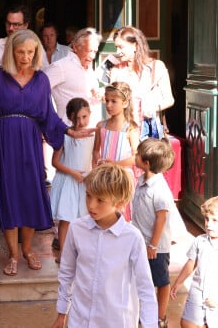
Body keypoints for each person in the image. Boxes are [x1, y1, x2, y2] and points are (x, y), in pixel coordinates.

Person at [0, 29, 89, 276]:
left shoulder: (41, 80)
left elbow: (48, 116)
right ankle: (13, 255)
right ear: (11, 52)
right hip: (3, 142)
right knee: (8, 196)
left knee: (29, 194)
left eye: (30, 52)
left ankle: (27, 249)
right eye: (20, 52)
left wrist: (69, 132)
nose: (25, 57)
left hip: (30, 143)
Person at [52, 164, 158, 328]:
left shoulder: (132, 238)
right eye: (88, 196)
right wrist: (62, 312)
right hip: (80, 319)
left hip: (116, 321)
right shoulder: (76, 229)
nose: (91, 205)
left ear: (120, 202)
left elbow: (145, 287)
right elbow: (67, 273)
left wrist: (149, 324)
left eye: (100, 200)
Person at [171, 195, 218, 328]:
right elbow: (191, 263)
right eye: (207, 219)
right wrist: (179, 282)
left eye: (215, 220)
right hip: (197, 294)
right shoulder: (200, 241)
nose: (209, 224)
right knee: (186, 323)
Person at [131, 138, 177, 328]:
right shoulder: (142, 181)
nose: (135, 156)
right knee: (142, 279)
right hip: (141, 243)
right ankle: (142, 314)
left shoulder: (159, 189)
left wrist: (153, 244)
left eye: (138, 154)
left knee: (161, 280)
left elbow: (161, 218)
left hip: (155, 247)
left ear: (147, 163)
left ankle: (160, 317)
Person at [49, 98, 94, 262]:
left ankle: (81, 251)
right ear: (70, 118)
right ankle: (62, 251)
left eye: (84, 117)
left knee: (84, 217)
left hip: (84, 182)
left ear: (89, 114)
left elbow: (94, 158)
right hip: (68, 181)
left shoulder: (93, 135)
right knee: (66, 218)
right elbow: (55, 162)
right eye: (76, 118)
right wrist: (72, 173)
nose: (80, 122)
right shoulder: (65, 136)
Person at [110, 26, 174, 128]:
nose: (117, 52)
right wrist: (103, 96)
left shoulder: (156, 67)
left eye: (121, 47)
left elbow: (169, 99)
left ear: (135, 46)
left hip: (148, 129)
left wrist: (153, 108)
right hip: (123, 130)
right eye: (116, 47)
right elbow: (112, 102)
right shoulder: (116, 71)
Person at [93, 82, 139, 220]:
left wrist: (116, 164)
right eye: (107, 101)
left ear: (125, 103)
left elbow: (136, 156)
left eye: (114, 101)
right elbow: (95, 151)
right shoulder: (101, 126)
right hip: (105, 176)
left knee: (121, 213)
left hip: (122, 177)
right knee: (105, 212)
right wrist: (99, 164)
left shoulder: (130, 128)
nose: (108, 105)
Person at [44, 27, 104, 125]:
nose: (93, 56)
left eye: (95, 52)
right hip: (69, 132)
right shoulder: (61, 67)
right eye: (89, 51)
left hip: (92, 132)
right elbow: (37, 91)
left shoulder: (89, 68)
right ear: (75, 47)